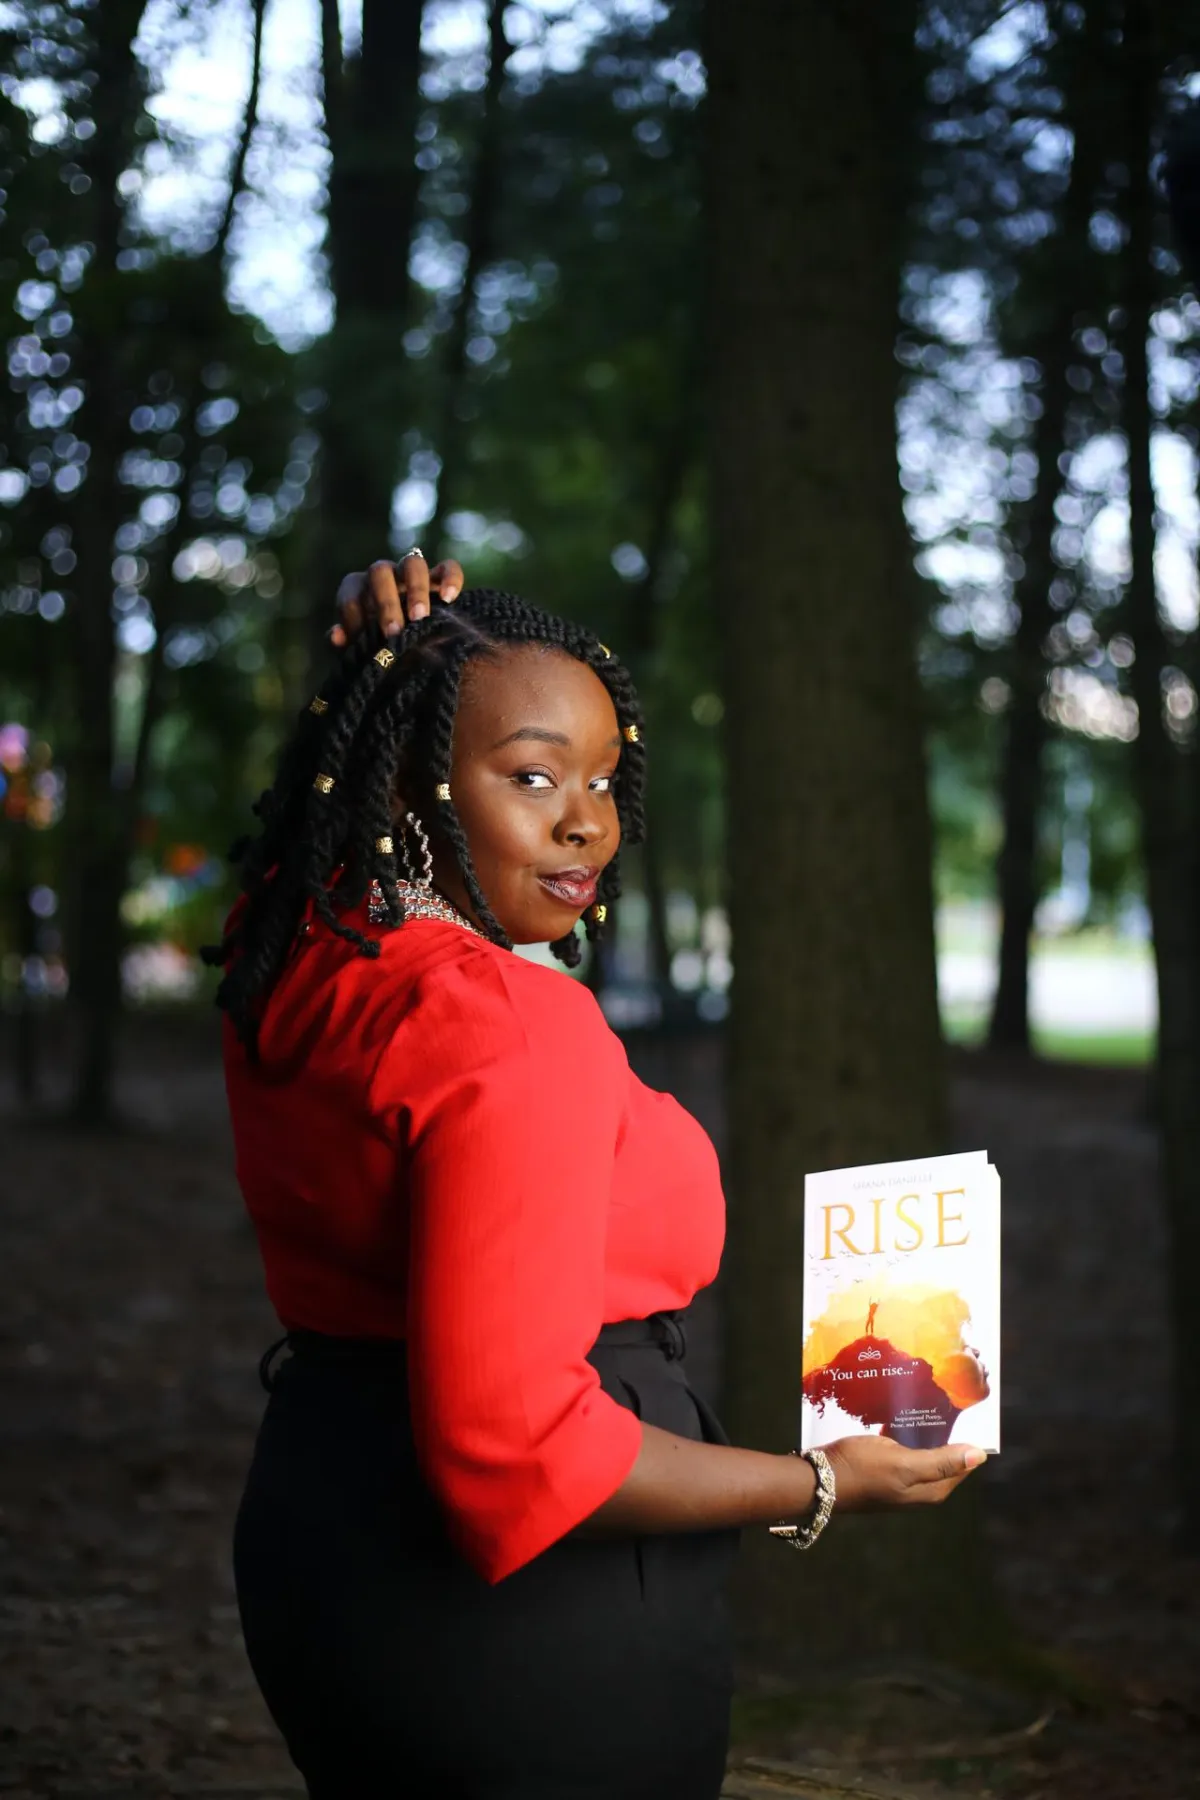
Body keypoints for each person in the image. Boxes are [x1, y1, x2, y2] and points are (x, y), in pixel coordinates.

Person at [209, 553, 985, 1800]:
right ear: (403, 780)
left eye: (602, 778)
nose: (586, 821)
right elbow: (515, 1450)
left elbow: (319, 800)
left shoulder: (301, 946)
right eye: (531, 776)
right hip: (529, 1629)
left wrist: (374, 647)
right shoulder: (508, 1026)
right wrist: (822, 1484)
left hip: (328, 1531)